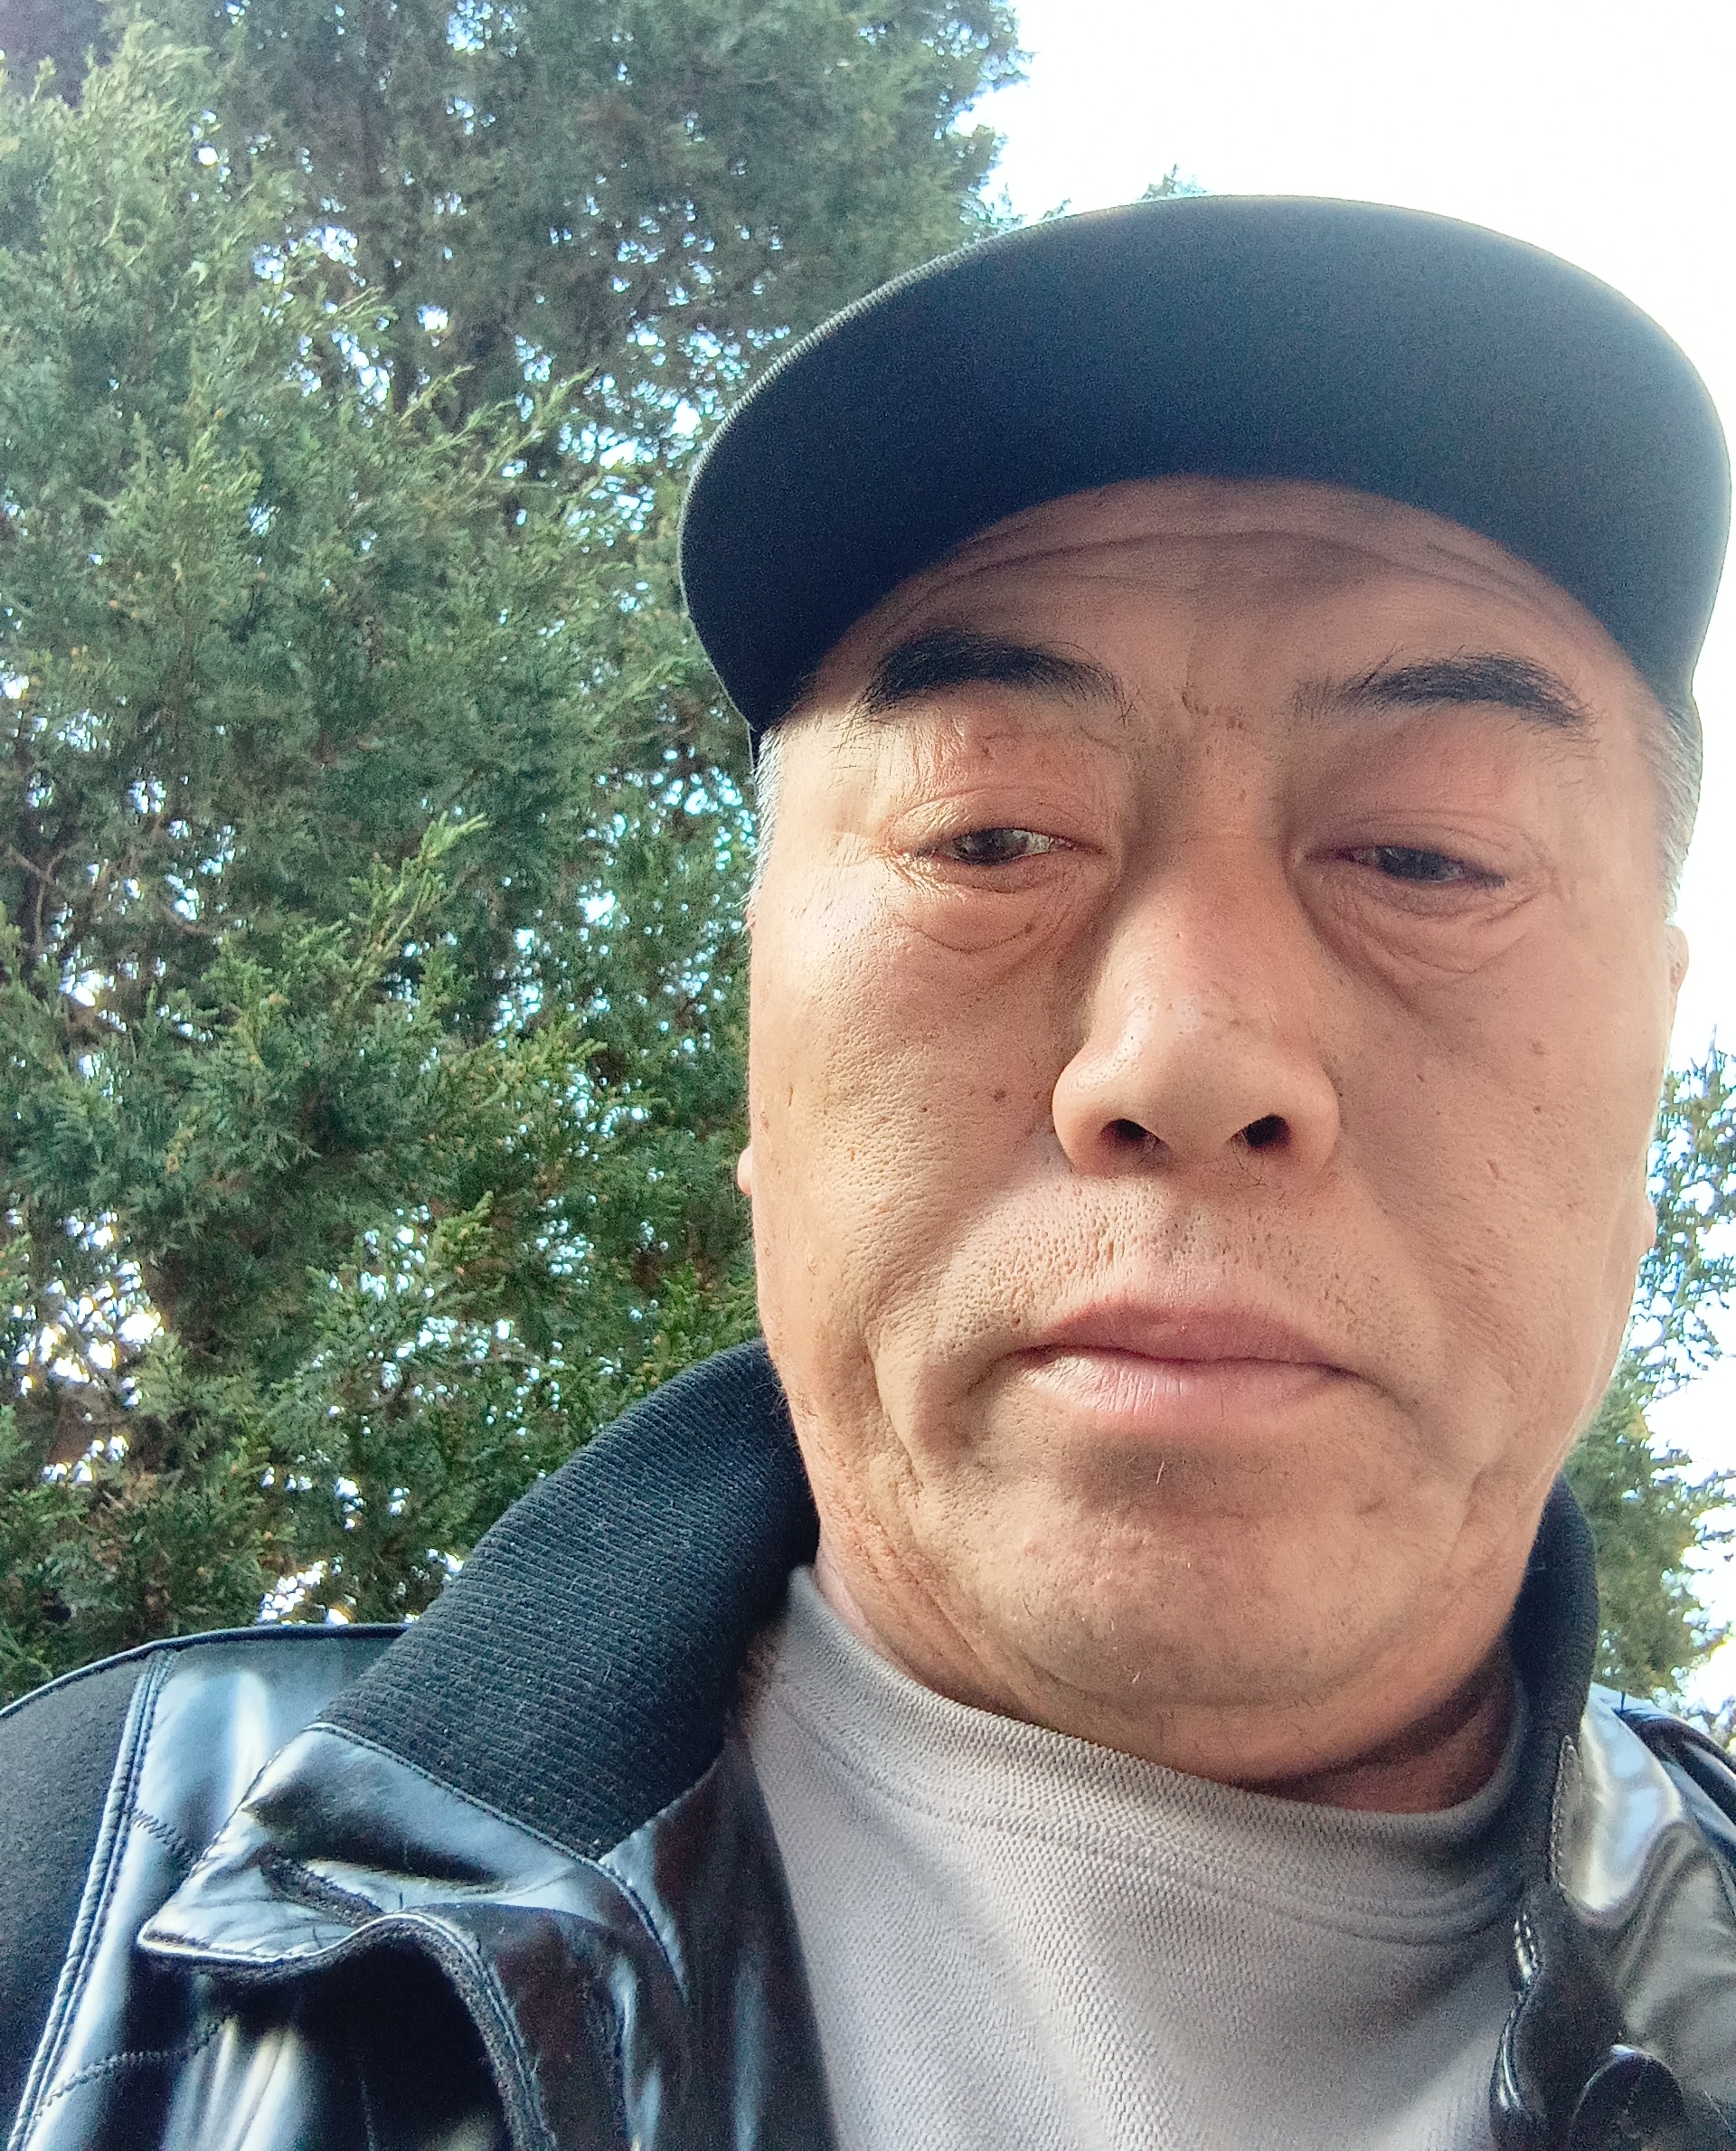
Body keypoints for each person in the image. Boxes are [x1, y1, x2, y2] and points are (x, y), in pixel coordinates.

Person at [4, 197, 1735, 2151]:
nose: (1182, 1059)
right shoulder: (71, 1920)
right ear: (764, 1028)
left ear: (1652, 1064)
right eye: (988, 837)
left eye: (1427, 857)